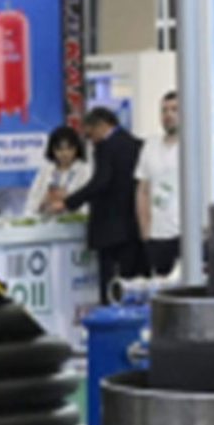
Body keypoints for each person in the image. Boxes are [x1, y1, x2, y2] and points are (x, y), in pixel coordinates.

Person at [66, 106, 146, 298]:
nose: (90, 141)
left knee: (110, 286)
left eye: (90, 135)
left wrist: (69, 202)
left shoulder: (105, 148)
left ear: (102, 126)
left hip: (109, 227)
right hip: (133, 225)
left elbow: (101, 181)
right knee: (132, 285)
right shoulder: (137, 144)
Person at [136, 90, 183, 277]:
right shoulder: (150, 145)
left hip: (185, 232)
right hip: (156, 233)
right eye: (164, 110)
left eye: (174, 109)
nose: (168, 115)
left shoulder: (193, 144)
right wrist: (144, 229)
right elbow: (143, 189)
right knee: (160, 283)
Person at [26, 124, 92, 218]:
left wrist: (68, 199)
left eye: (69, 148)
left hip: (75, 223)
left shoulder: (84, 170)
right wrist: (44, 202)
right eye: (59, 149)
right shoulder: (46, 169)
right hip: (47, 222)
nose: (65, 153)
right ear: (52, 150)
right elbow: (31, 202)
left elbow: (88, 205)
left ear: (76, 148)